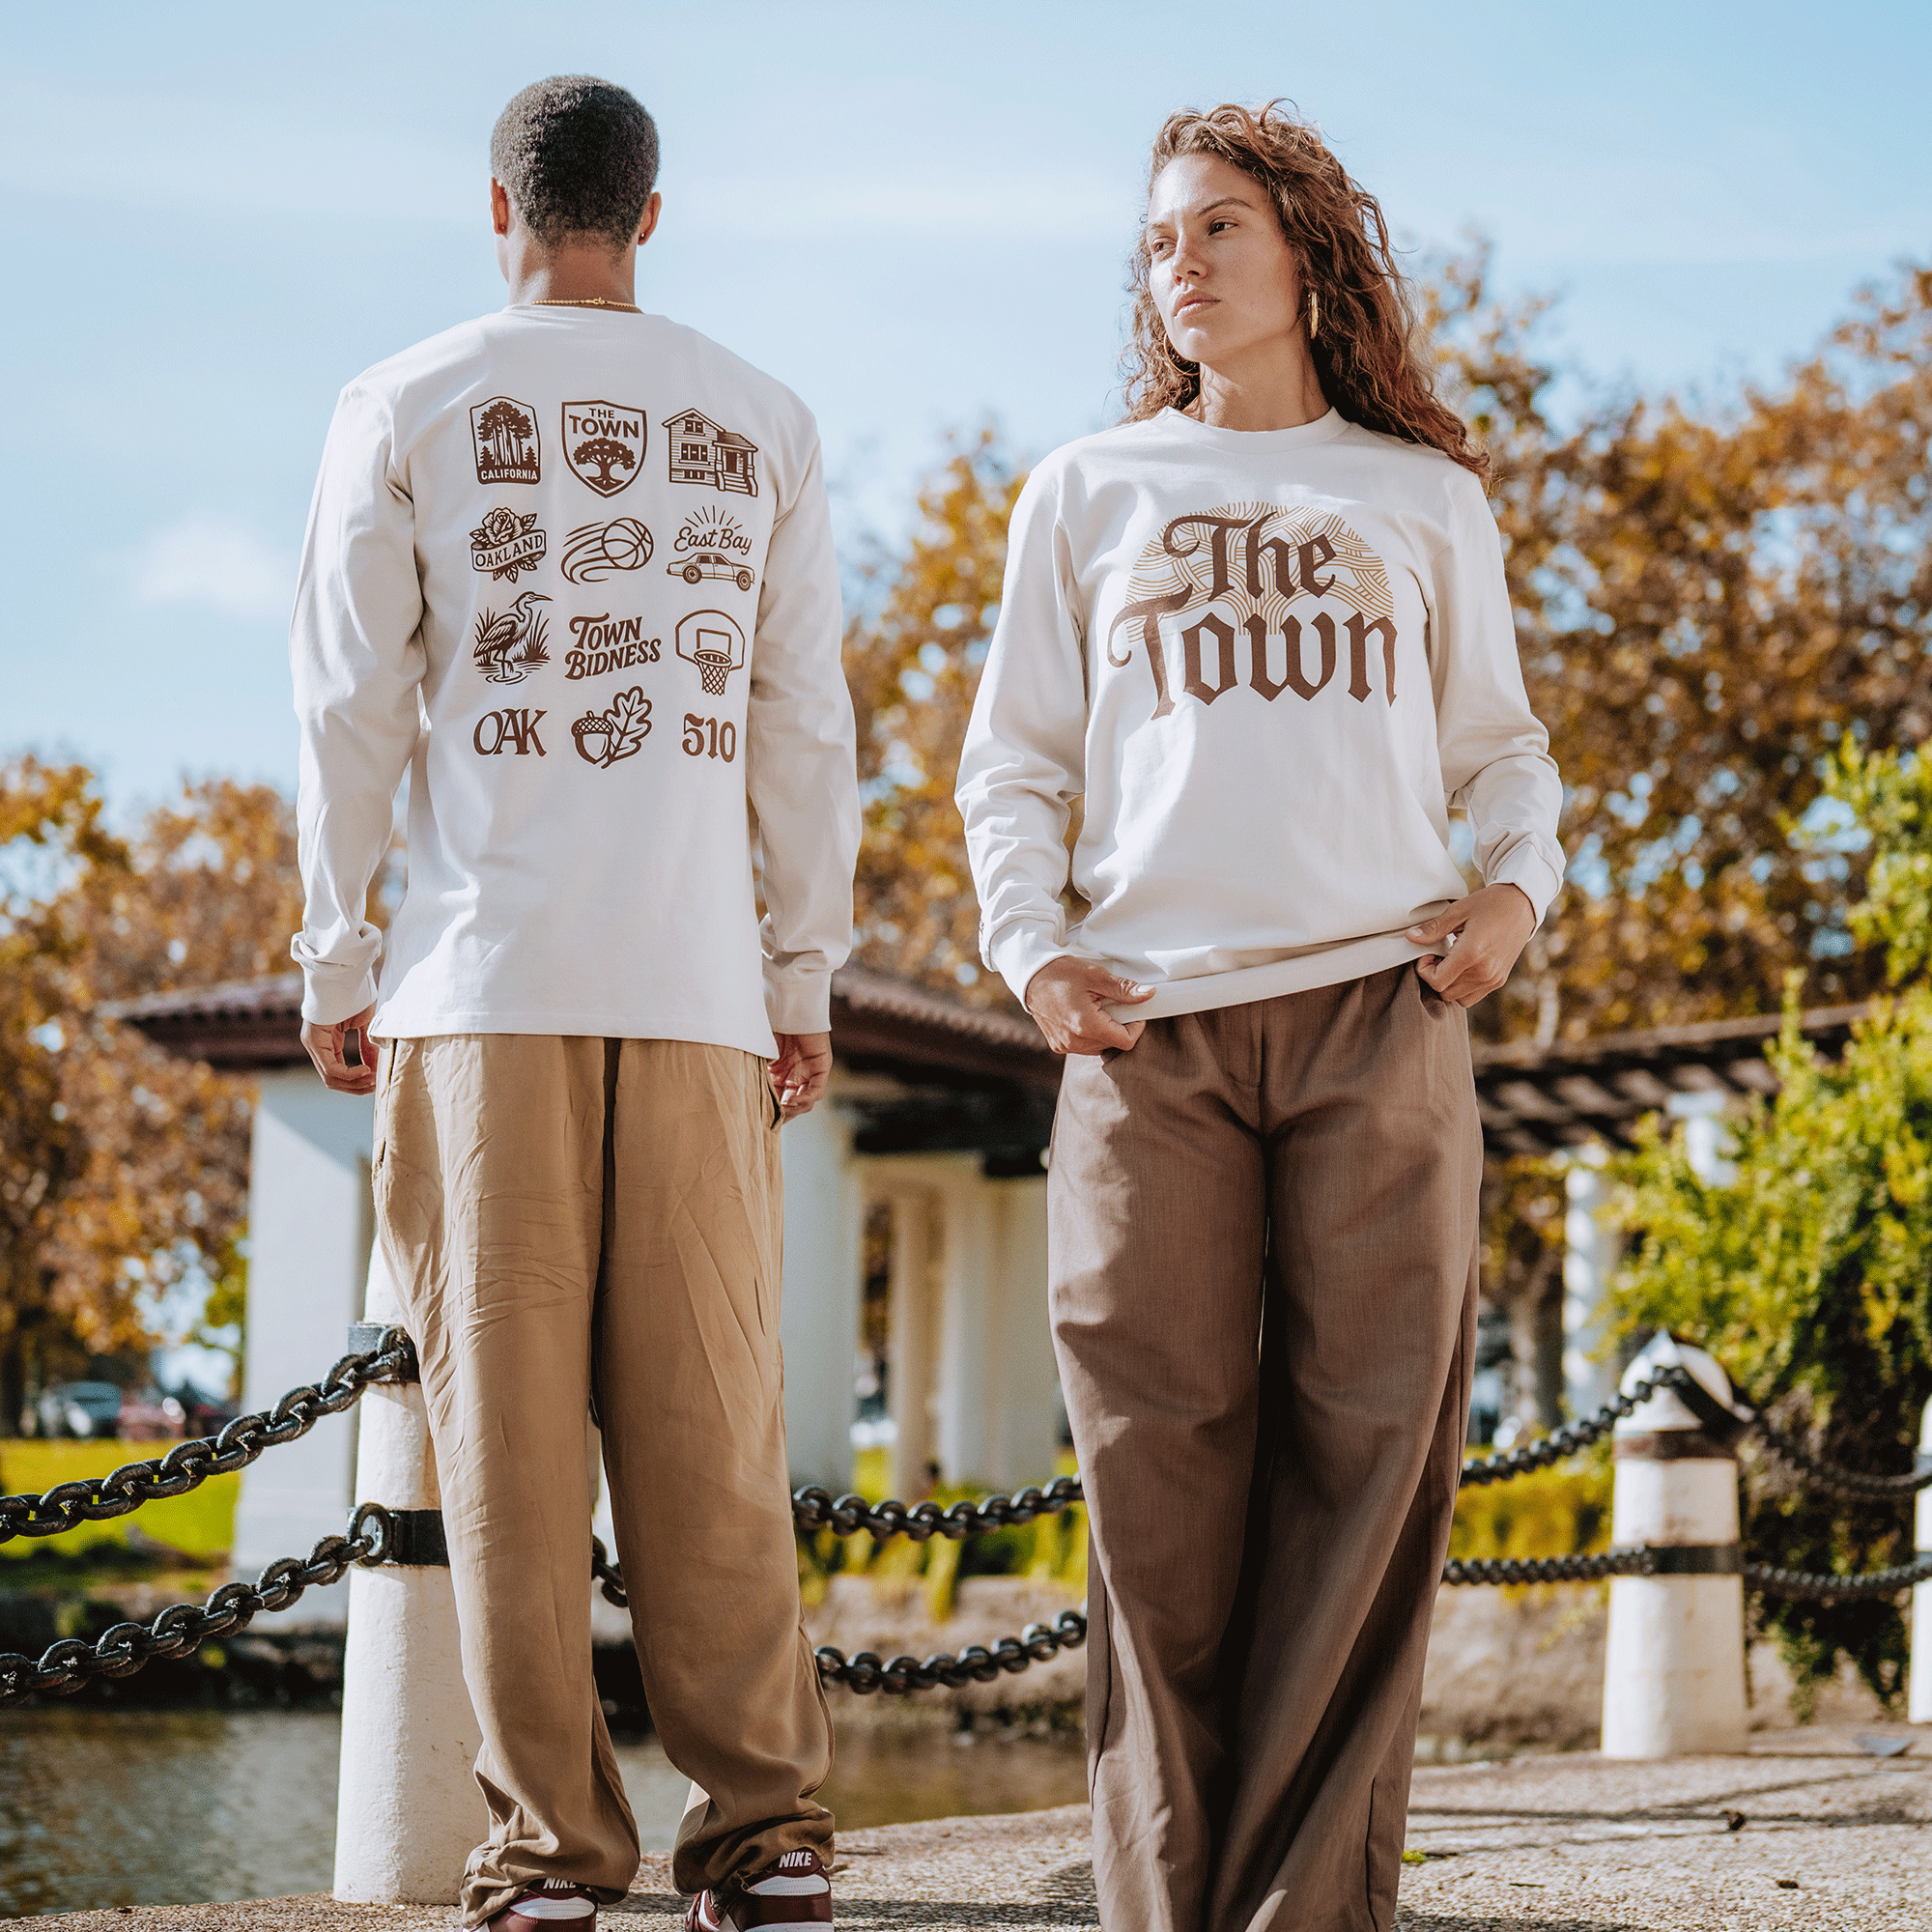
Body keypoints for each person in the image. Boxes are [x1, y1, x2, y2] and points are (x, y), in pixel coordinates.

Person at [955, 102, 1564, 1932]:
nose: (1186, 261)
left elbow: (1504, 754)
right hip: (1148, 1044)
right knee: (1154, 1510)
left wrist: (1515, 902)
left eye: (1223, 226)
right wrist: (1027, 948)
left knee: (1368, 1491)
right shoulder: (1082, 491)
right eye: (1162, 239)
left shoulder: (1422, 498)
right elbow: (1016, 770)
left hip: (1384, 1017)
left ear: (1308, 249)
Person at [291, 75, 855, 1932]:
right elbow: (800, 728)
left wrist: (333, 949)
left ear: (498, 207)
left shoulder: (403, 402)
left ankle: (550, 1861)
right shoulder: (760, 416)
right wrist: (803, 970)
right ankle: (765, 1834)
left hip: (480, 987)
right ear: (655, 215)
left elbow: (351, 709)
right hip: (697, 987)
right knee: (711, 1426)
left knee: (507, 1450)